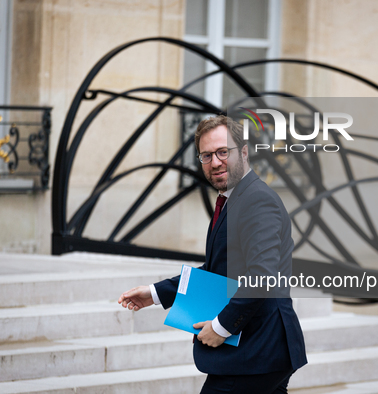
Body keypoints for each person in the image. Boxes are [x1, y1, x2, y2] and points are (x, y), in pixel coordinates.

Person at [118, 115, 307, 393]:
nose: (215, 162)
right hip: (263, 353)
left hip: (256, 350)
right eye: (206, 155)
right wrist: (157, 293)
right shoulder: (233, 199)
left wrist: (221, 327)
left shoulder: (257, 200)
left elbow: (262, 275)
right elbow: (218, 268)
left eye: (222, 152)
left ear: (243, 152)